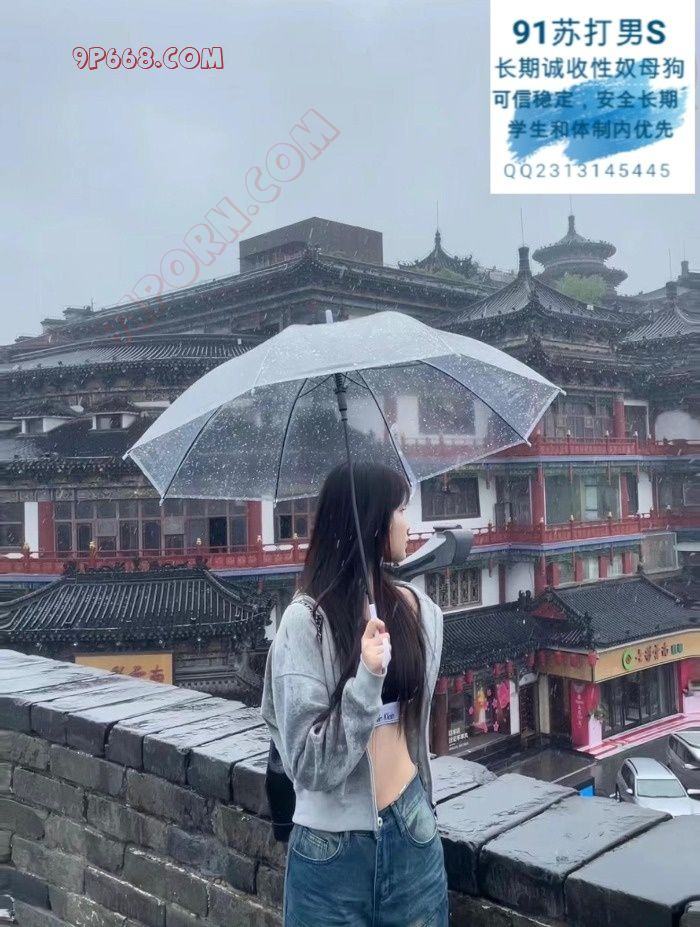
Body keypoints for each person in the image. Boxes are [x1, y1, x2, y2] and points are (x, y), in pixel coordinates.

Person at [260, 461, 448, 926]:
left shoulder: (416, 610)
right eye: (399, 509)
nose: (407, 522)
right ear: (371, 520)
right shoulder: (305, 624)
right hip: (330, 856)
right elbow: (309, 764)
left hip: (412, 829)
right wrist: (365, 677)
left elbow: (413, 724)